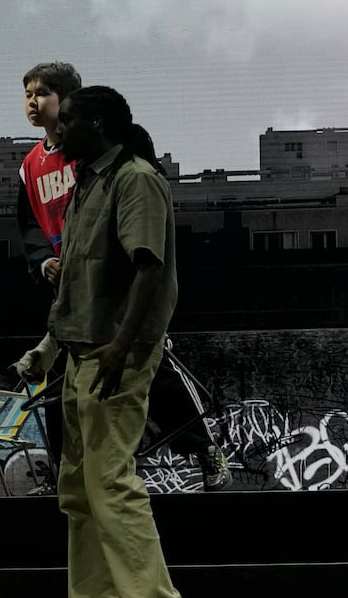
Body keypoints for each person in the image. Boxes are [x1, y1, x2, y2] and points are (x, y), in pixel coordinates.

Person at [14, 63, 229, 492]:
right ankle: (65, 473)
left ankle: (201, 446)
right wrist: (43, 262)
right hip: (70, 287)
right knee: (64, 383)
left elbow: (146, 239)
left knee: (146, 365)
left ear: (72, 102)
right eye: (27, 94)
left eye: (43, 93)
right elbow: (28, 224)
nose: (33, 102)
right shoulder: (32, 165)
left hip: (114, 283)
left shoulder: (113, 159)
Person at [37, 86, 191, 598]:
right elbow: (79, 283)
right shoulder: (88, 182)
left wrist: (124, 348)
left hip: (114, 357)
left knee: (109, 480)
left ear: (98, 124)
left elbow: (149, 272)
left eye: (70, 119)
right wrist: (48, 348)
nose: (59, 128)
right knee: (78, 490)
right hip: (82, 354)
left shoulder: (137, 180)